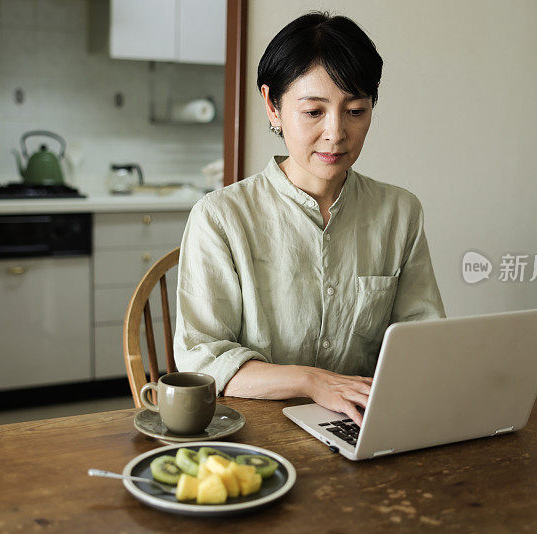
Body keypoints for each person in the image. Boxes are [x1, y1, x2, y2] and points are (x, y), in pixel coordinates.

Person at [173, 11, 445, 426]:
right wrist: (312, 382)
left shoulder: (399, 212)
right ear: (273, 106)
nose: (336, 133)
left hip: (360, 424)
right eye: (314, 112)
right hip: (254, 430)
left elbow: (423, 340)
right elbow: (203, 359)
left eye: (356, 110)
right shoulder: (221, 218)